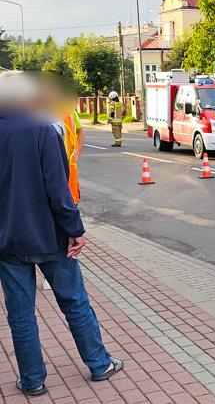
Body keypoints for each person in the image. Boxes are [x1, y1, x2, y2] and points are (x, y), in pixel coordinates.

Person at [0, 73, 123, 397]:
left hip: (8, 241)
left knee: (20, 314)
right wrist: (75, 230)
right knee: (74, 301)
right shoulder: (43, 130)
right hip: (50, 237)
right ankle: (100, 364)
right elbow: (58, 189)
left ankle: (32, 380)